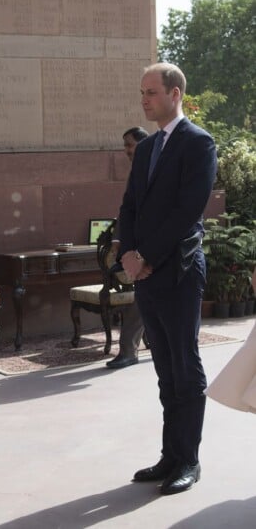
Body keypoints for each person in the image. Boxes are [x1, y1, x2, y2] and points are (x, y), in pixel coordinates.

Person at [118, 62, 217, 495]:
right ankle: (170, 455)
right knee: (162, 367)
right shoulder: (145, 149)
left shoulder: (198, 143)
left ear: (174, 94)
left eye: (151, 92)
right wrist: (126, 253)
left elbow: (188, 210)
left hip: (177, 269)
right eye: (142, 92)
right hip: (146, 273)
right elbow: (129, 206)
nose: (144, 99)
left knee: (184, 365)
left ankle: (189, 460)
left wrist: (147, 256)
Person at [106, 126, 149, 370]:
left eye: (129, 145)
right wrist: (117, 240)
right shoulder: (138, 169)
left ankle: (128, 351)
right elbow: (128, 208)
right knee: (147, 298)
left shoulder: (152, 166)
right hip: (141, 248)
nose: (125, 151)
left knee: (144, 300)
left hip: (155, 248)